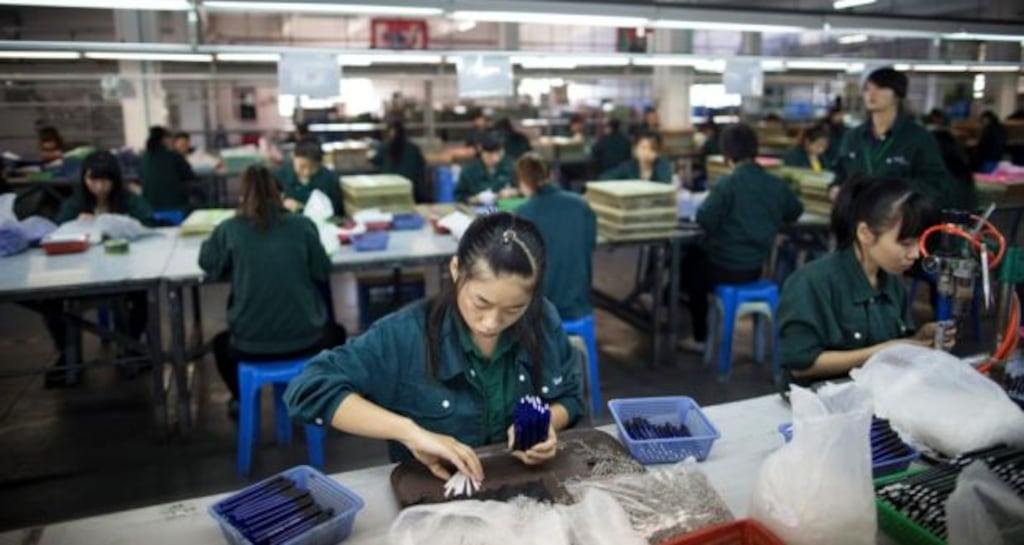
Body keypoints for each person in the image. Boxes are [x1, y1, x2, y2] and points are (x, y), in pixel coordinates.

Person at [284, 212, 584, 481]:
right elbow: (308, 389)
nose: (491, 322)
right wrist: (410, 433)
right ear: (456, 270)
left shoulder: (542, 318)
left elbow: (569, 396)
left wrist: (547, 425)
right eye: (481, 302)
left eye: (514, 308)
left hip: (520, 491)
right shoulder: (404, 336)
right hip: (434, 495)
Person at [779, 176, 954, 386]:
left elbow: (899, 341)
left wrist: (919, 339)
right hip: (823, 406)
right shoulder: (812, 283)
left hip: (877, 398)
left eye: (919, 243)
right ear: (865, 234)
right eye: (906, 243)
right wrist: (884, 351)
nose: (916, 254)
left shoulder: (893, 281)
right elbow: (801, 365)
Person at [200, 165, 345, 417]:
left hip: (248, 342)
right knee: (338, 334)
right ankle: (315, 394)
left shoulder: (230, 229)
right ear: (280, 195)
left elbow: (209, 263)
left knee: (220, 345)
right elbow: (322, 270)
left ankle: (239, 398)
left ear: (242, 196)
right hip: (306, 337)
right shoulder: (302, 226)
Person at [680, 125, 804, 352]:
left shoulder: (726, 184)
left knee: (689, 265)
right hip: (755, 268)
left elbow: (704, 219)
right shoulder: (776, 185)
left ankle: (700, 336)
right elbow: (795, 210)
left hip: (724, 267)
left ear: (726, 155)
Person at [38, 151, 155, 387]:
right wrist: (77, 224)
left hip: (124, 269)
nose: (100, 187)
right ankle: (67, 353)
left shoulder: (128, 200)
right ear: (84, 179)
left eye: (106, 180)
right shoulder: (75, 203)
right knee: (48, 301)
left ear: (115, 180)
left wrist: (123, 224)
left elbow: (149, 222)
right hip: (81, 274)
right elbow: (58, 230)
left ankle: (132, 346)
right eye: (94, 180)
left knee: (144, 292)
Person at [829, 67, 959, 211]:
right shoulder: (853, 137)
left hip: (899, 222)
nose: (871, 94)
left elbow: (936, 185)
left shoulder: (918, 138)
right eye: (867, 88)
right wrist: (835, 188)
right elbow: (840, 174)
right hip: (855, 220)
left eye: (880, 88)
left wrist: (894, 190)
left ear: (897, 94)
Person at [515, 153, 597, 321]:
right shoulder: (581, 204)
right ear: (551, 175)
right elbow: (590, 246)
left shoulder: (523, 213)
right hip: (579, 304)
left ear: (522, 182)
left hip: (540, 312)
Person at [275, 139, 345, 217]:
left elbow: (337, 210)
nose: (307, 172)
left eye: (313, 167)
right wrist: (282, 203)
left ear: (320, 163)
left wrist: (303, 208)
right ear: (293, 156)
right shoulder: (279, 176)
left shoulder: (330, 179)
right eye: (302, 166)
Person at [139, 126, 196, 213]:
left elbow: (141, 177)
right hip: (175, 205)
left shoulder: (143, 157)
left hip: (150, 206)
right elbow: (189, 175)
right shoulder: (173, 156)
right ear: (164, 140)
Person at [372, 120, 427, 200]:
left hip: (388, 187)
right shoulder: (413, 148)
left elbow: (375, 161)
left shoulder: (385, 147)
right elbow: (422, 163)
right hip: (411, 188)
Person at [454, 133, 516, 204]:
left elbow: (525, 191)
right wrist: (474, 199)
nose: (490, 159)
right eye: (487, 156)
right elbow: (458, 198)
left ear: (501, 153)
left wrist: (513, 192)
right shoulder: (469, 171)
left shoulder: (510, 167)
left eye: (493, 156)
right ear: (481, 152)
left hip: (505, 208)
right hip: (475, 210)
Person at [599, 132, 673, 183]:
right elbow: (604, 178)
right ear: (635, 150)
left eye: (652, 149)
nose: (647, 152)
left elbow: (665, 183)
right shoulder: (628, 166)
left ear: (658, 152)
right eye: (643, 148)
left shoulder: (662, 165)